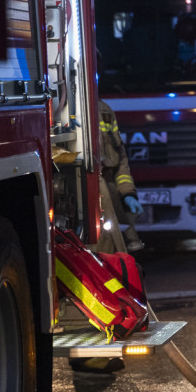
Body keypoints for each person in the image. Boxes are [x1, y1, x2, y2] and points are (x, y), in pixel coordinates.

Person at [69, 100, 144, 374]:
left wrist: (127, 194)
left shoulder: (102, 109)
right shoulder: (66, 105)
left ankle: (105, 346)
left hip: (108, 199)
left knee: (111, 275)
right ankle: (92, 354)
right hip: (84, 198)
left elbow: (120, 158)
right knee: (91, 277)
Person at [98, 99, 144, 253]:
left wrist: (127, 193)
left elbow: (120, 161)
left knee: (116, 248)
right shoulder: (73, 108)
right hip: (90, 190)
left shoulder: (105, 110)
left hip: (109, 190)